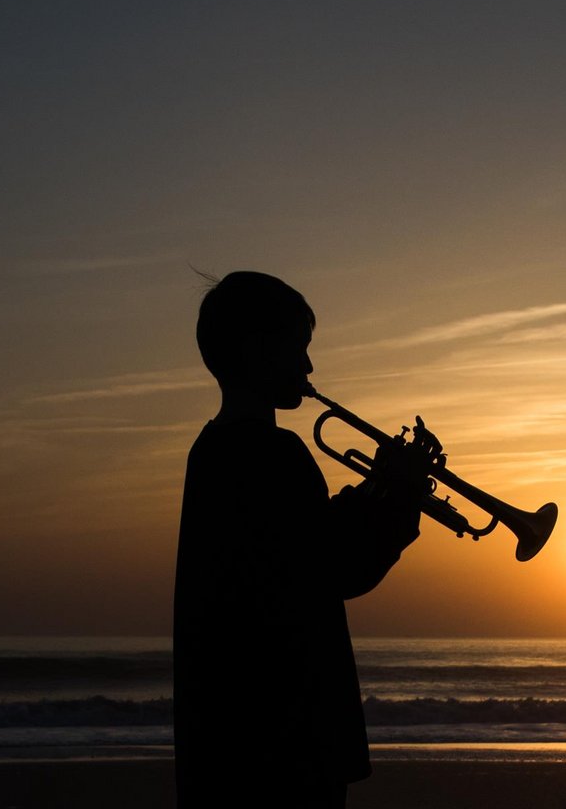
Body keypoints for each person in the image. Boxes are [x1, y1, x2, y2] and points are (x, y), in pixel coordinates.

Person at [174, 271, 427, 808]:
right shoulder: (273, 453)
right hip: (283, 742)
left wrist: (381, 487)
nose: (309, 368)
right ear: (257, 350)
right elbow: (339, 570)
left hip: (234, 743)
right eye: (299, 348)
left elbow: (300, 546)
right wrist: (398, 498)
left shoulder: (213, 451)